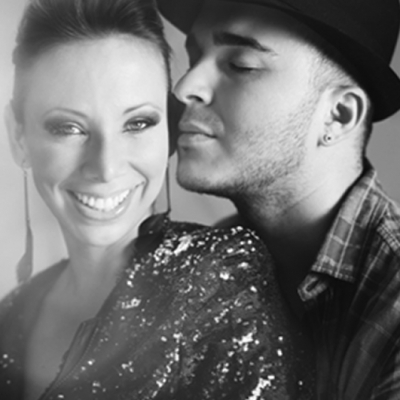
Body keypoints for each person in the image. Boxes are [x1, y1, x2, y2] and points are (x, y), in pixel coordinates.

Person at [0, 0, 316, 399]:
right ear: (18, 138)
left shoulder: (218, 283)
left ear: (169, 128)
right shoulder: (12, 314)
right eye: (69, 127)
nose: (106, 167)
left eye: (137, 123)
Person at [157, 0, 400, 398]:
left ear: (338, 114)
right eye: (195, 57)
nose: (185, 88)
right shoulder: (204, 266)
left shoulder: (391, 303)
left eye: (241, 65)